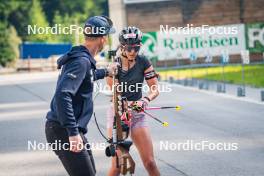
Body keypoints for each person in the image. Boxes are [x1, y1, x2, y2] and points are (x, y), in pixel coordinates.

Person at [45, 15, 118, 176]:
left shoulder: (82, 59)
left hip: (68, 129)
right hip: (63, 130)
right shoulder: (81, 61)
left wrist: (106, 71)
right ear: (103, 39)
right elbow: (63, 94)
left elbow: (87, 76)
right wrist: (72, 133)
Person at [106, 26, 160, 176]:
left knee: (150, 162)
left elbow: (155, 89)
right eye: (129, 48)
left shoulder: (143, 61)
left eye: (136, 48)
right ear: (122, 47)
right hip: (118, 115)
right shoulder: (114, 64)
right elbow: (113, 90)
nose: (132, 52)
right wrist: (111, 73)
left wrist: (145, 100)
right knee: (117, 166)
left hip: (137, 114)